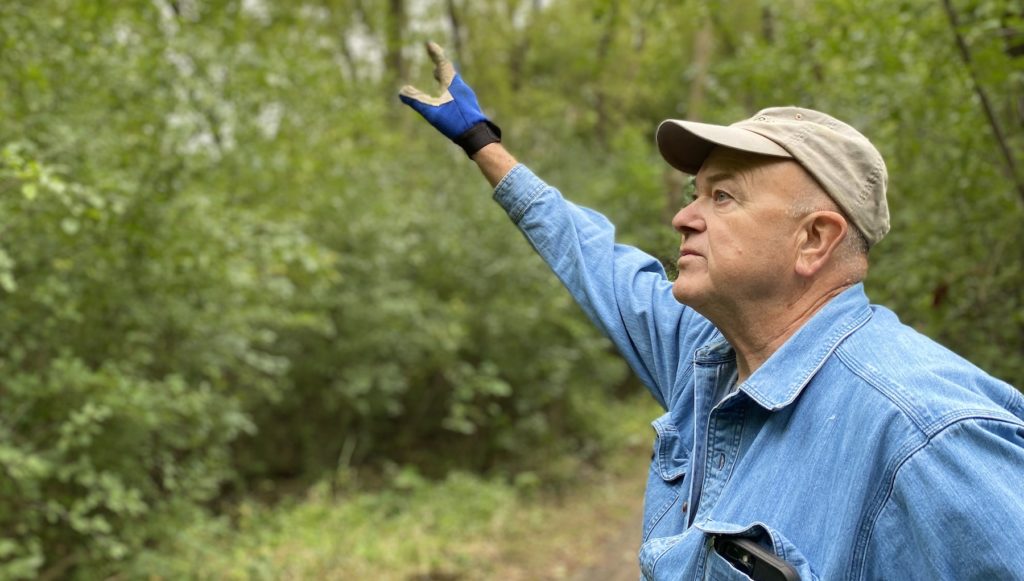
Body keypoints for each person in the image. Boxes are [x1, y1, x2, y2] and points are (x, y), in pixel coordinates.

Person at [399, 42, 1024, 580]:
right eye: (695, 194)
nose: (683, 217)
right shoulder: (707, 353)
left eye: (723, 196)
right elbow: (592, 258)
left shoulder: (930, 436)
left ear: (814, 240)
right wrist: (484, 144)